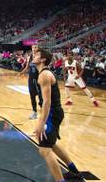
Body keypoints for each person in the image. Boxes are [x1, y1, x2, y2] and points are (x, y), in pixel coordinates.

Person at [33, 49, 83, 182]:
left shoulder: (44, 75)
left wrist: (41, 123)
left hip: (51, 114)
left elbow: (47, 102)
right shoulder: (44, 73)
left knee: (44, 149)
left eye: (37, 54)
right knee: (52, 144)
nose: (33, 55)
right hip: (54, 113)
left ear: (43, 59)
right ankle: (74, 172)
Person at [20, 45, 43, 119]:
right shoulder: (29, 57)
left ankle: (44, 109)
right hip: (31, 78)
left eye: (36, 47)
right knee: (32, 96)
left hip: (38, 78)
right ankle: (34, 112)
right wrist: (21, 72)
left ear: (38, 48)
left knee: (40, 96)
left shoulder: (40, 57)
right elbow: (27, 67)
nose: (34, 48)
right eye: (33, 47)